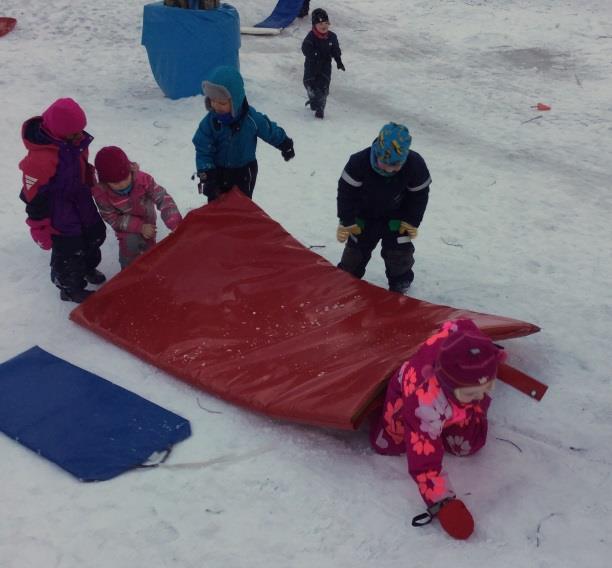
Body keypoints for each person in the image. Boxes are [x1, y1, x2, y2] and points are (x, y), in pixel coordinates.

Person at [369, 318, 507, 540]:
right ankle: (391, 420)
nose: (481, 397)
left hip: (452, 402)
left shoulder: (467, 348)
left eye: (487, 388)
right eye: (473, 393)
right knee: (391, 443)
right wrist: (442, 501)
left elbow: (461, 324)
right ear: (450, 386)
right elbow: (424, 459)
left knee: (468, 445)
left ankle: (455, 414)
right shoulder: (424, 400)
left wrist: (486, 362)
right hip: (410, 395)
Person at [18, 98, 107, 303]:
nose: (80, 136)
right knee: (69, 247)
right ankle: (70, 287)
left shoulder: (77, 143)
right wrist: (39, 227)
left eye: (81, 130)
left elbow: (82, 168)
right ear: (59, 132)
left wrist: (91, 183)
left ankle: (88, 267)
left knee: (94, 234)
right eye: (74, 133)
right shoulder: (39, 160)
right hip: (58, 208)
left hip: (80, 198)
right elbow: (34, 197)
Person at [336, 122, 431, 293]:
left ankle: (400, 281)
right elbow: (346, 194)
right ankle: (347, 277)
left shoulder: (415, 166)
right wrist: (347, 220)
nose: (389, 169)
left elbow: (419, 196)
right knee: (356, 250)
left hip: (397, 218)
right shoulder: (359, 163)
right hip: (364, 216)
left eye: (395, 165)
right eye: (384, 163)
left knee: (399, 250)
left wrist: (411, 221)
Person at [192, 65, 295, 202]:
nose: (216, 106)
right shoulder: (210, 123)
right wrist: (207, 173)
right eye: (212, 100)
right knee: (216, 206)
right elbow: (203, 149)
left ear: (235, 100)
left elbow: (268, 129)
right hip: (217, 172)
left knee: (241, 206)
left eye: (222, 103)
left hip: (244, 171)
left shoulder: (251, 119)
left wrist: (283, 142)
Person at [93, 146, 183, 269]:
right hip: (126, 229)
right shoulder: (101, 194)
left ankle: (151, 267)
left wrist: (174, 221)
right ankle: (129, 272)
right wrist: (139, 227)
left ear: (130, 170)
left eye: (125, 178)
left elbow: (162, 198)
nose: (122, 184)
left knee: (149, 247)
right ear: (105, 182)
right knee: (130, 247)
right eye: (115, 183)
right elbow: (111, 218)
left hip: (148, 221)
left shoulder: (143, 180)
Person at [301, 8, 344, 119]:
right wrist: (313, 54)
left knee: (322, 88)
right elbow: (305, 48)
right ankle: (313, 99)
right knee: (309, 84)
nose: (324, 26)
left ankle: (320, 109)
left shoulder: (332, 37)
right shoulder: (311, 37)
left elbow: (335, 50)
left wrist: (338, 61)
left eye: (326, 23)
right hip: (312, 65)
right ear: (314, 25)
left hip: (325, 66)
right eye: (320, 23)